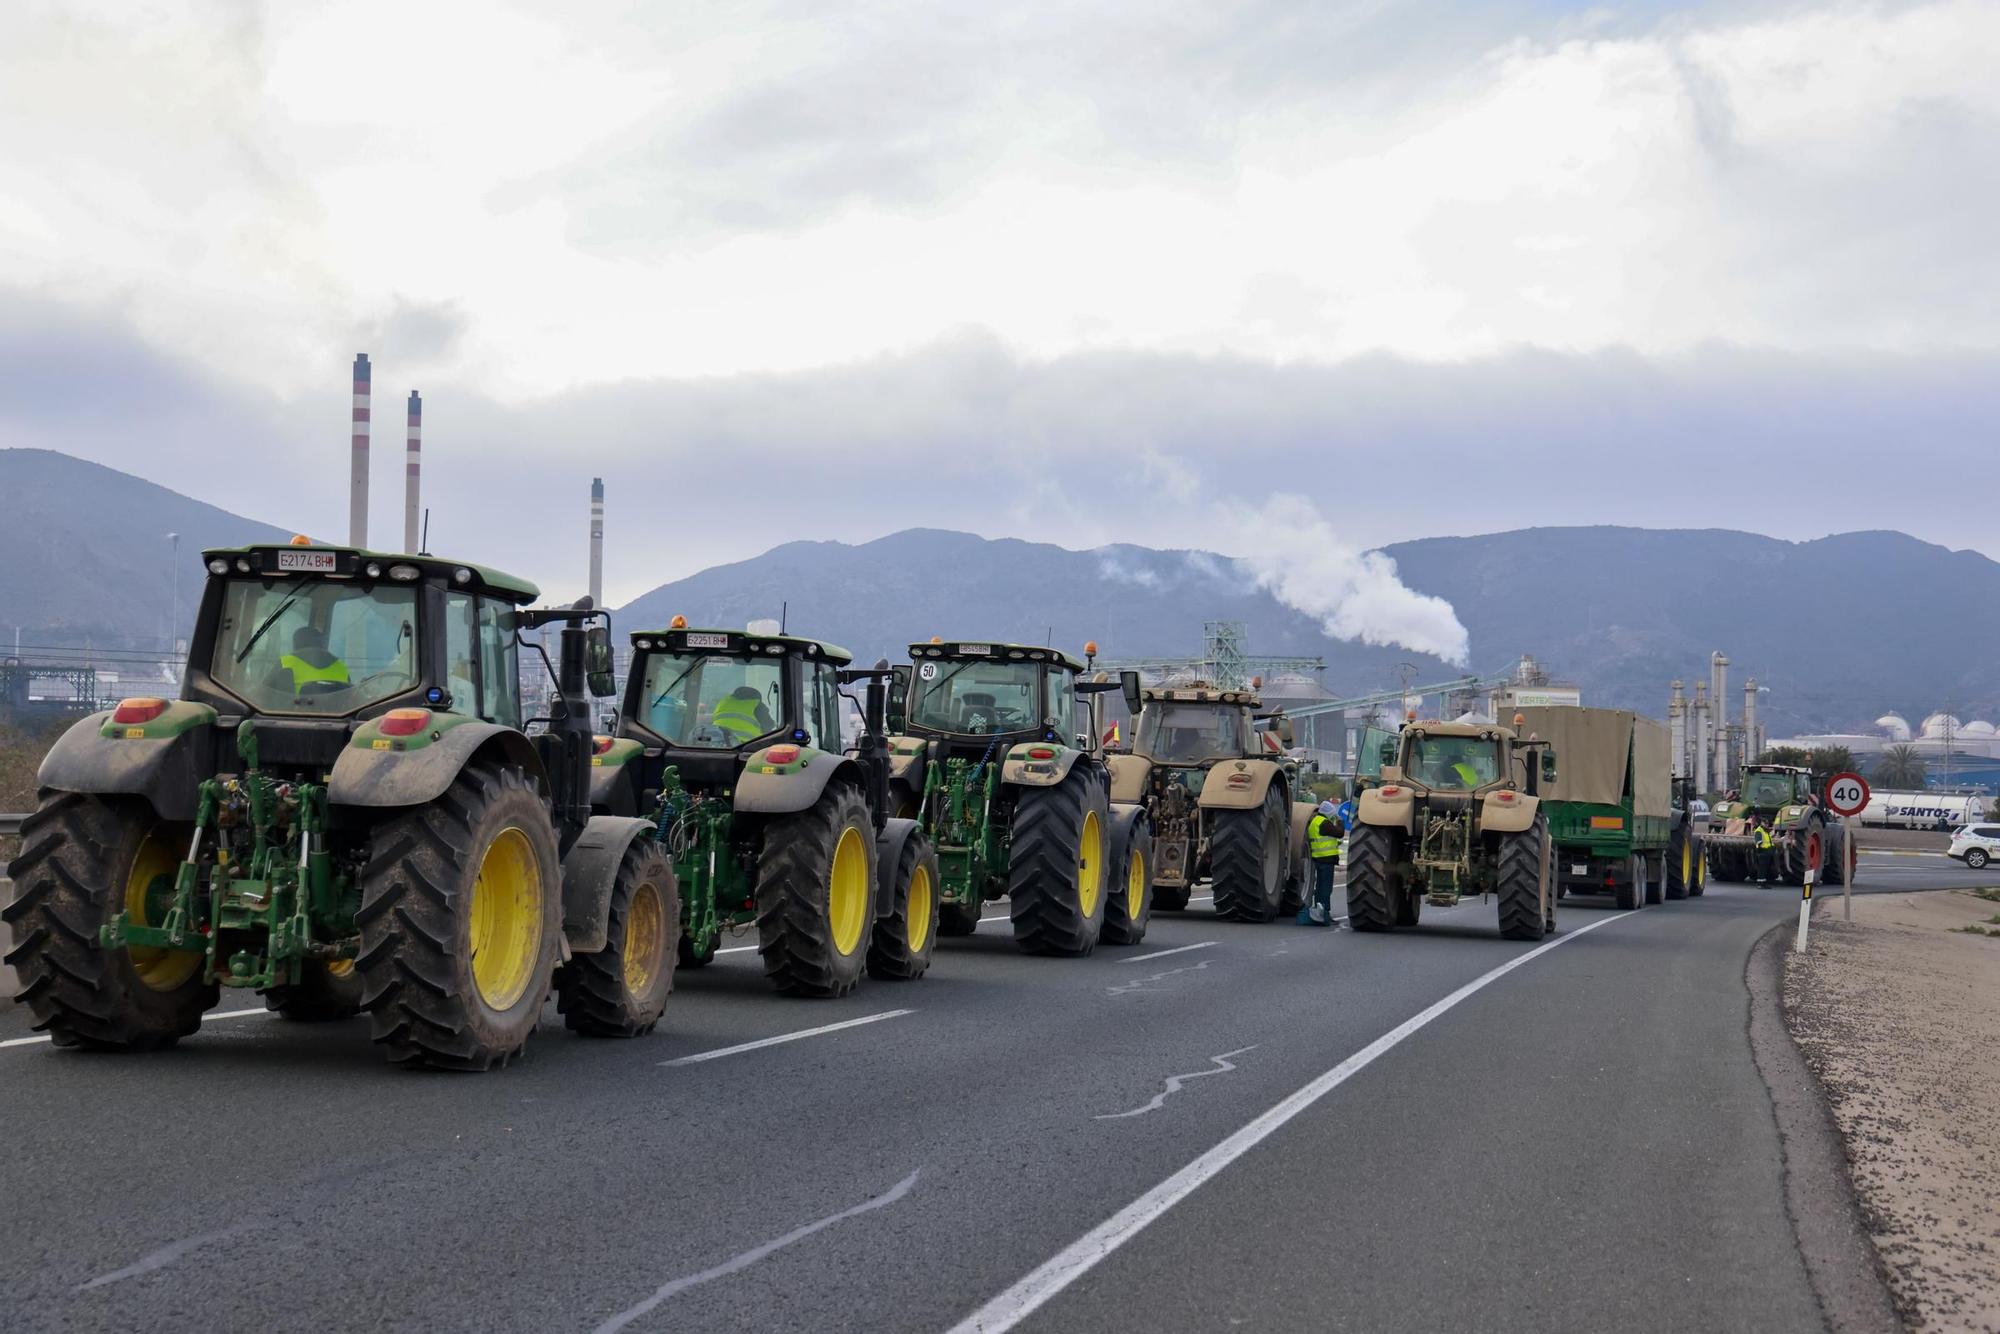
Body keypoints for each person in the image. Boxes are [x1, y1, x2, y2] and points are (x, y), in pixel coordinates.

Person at [1298, 799, 1343, 927]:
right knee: (1325, 888)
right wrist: (1340, 822)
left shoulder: (1314, 822)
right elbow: (1339, 833)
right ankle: (1325, 914)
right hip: (1326, 859)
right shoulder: (1324, 823)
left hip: (1318, 858)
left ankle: (1319, 911)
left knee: (1319, 888)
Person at [275, 625, 348, 695]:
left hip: (295, 707)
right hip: (339, 707)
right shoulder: (341, 667)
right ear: (320, 644)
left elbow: (265, 693)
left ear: (296, 643)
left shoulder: (285, 662)